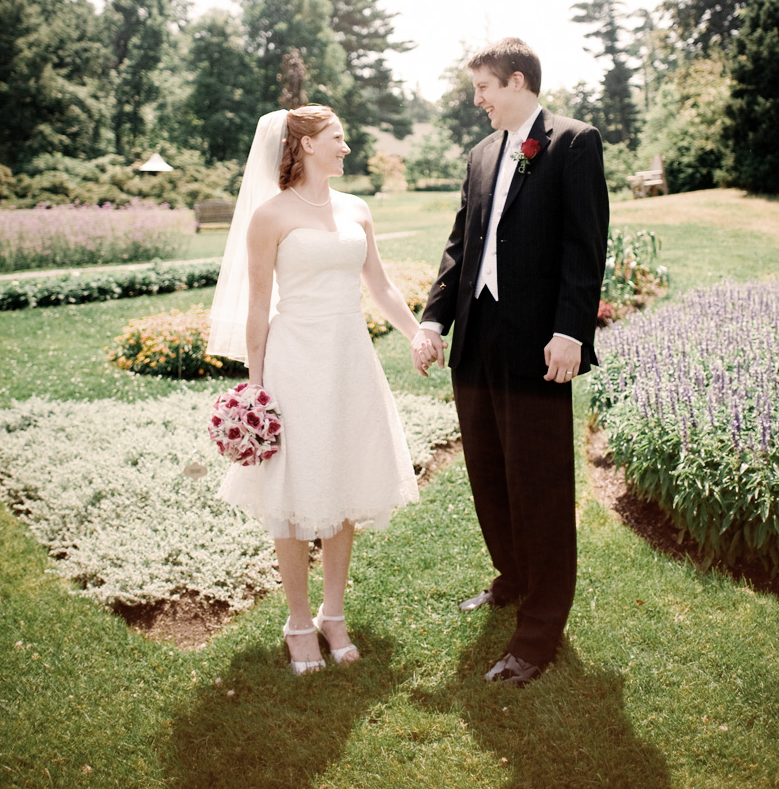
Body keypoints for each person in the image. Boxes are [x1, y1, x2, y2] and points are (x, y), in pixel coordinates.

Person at [411, 38, 608, 686]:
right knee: (489, 471)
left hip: (538, 346)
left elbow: (585, 245)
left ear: (516, 80)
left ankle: (539, 629)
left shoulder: (571, 143)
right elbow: (456, 247)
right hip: (477, 340)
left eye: (483, 88)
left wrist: (568, 331)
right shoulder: (479, 154)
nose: (477, 102)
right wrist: (434, 318)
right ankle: (513, 577)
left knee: (539, 484)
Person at [206, 105, 420, 674]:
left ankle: (333, 614)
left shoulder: (357, 209)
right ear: (302, 145)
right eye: (337, 138)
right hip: (294, 361)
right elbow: (257, 305)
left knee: (343, 483)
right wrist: (255, 386)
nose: (346, 148)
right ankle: (298, 620)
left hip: (350, 359)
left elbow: (380, 284)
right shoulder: (270, 216)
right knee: (296, 497)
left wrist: (416, 332)